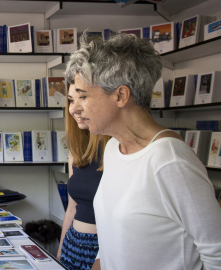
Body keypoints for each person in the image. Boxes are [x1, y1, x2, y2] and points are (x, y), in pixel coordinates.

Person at [65, 33, 221, 269]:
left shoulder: (170, 161)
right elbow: (111, 246)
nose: (74, 109)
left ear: (121, 95)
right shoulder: (113, 150)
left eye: (83, 97)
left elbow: (216, 254)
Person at [56, 84, 109, 270]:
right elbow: (72, 207)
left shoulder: (118, 149)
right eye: (70, 100)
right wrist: (61, 250)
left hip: (103, 251)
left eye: (83, 98)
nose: (73, 108)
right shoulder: (77, 148)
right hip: (73, 245)